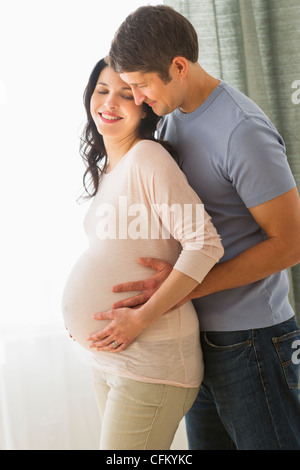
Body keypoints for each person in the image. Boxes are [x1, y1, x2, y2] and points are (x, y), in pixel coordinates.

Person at [91, 6, 300, 450]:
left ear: (179, 67)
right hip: (194, 338)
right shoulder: (171, 118)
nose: (139, 98)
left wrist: (181, 290)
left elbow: (291, 244)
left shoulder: (241, 131)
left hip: (251, 340)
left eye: (141, 85)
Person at [62, 57, 224, 450]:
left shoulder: (148, 158)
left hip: (152, 359)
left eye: (125, 94)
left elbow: (205, 244)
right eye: (102, 91)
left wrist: (139, 319)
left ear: (144, 104)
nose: (109, 103)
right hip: (111, 357)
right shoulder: (108, 170)